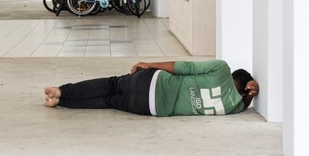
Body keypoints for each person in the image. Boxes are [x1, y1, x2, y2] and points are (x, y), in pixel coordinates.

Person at [44, 59, 259, 117]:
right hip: (151, 107)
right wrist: (252, 90)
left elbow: (184, 67)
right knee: (108, 102)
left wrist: (149, 64)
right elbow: (247, 100)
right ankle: (61, 102)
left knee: (110, 84)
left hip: (152, 81)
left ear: (233, 76)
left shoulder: (221, 69)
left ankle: (62, 90)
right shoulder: (234, 107)